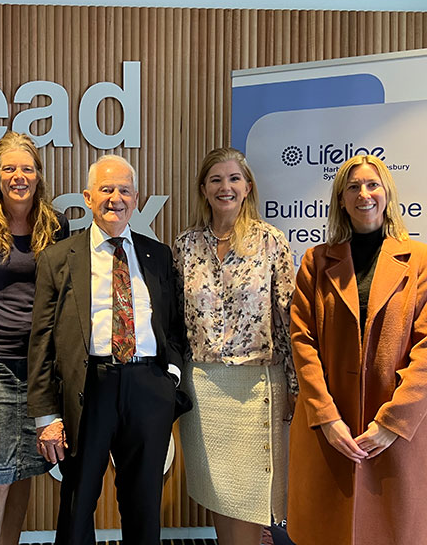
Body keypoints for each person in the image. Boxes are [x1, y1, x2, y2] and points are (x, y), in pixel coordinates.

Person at [27, 154, 189, 545]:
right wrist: (46, 415)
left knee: (144, 502)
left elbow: (175, 327)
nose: (115, 198)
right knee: (78, 500)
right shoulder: (58, 258)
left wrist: (170, 381)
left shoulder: (159, 255)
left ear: (136, 199)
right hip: (89, 390)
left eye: (124, 190)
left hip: (149, 387)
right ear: (87, 196)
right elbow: (42, 341)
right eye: (106, 189)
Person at [288, 154, 427, 545]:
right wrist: (327, 418)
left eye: (372, 185)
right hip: (332, 432)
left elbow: (426, 350)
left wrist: (392, 423)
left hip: (397, 435)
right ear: (341, 200)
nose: (363, 194)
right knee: (325, 531)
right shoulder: (315, 262)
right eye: (353, 187)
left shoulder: (419, 261)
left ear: (387, 193)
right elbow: (302, 343)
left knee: (394, 532)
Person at [173, 148, 297, 545]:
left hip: (257, 385)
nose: (225, 187)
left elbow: (288, 317)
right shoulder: (185, 245)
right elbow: (175, 319)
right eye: (216, 180)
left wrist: (295, 386)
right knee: (219, 497)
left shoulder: (270, 241)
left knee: (251, 501)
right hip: (204, 389)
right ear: (204, 190)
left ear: (247, 187)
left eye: (233, 179)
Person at [0, 131, 69, 545]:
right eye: (10, 169)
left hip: (41, 363)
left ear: (39, 174)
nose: (18, 176)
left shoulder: (55, 225)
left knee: (26, 469)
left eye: (27, 168)